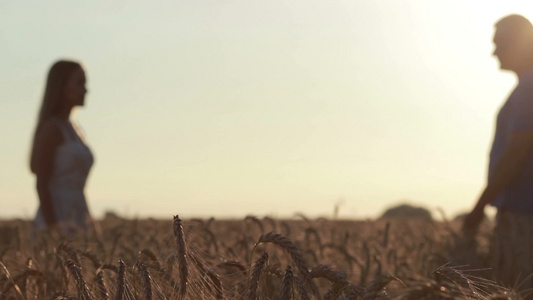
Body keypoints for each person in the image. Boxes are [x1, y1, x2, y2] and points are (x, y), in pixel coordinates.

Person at [463, 14, 533, 289]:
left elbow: (516, 153)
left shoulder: (528, 88)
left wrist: (478, 208)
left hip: (522, 212)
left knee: (517, 288)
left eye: (499, 43)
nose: (493, 52)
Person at [30, 60, 97, 237]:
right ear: (62, 87)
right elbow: (42, 183)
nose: (86, 89)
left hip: (79, 217)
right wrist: (55, 230)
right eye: (80, 83)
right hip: (54, 218)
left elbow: (78, 187)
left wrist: (92, 225)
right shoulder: (52, 129)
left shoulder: (74, 129)